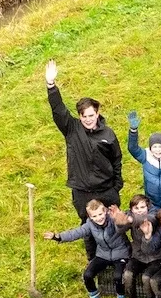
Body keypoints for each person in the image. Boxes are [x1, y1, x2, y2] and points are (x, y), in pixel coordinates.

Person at [45, 61, 122, 262]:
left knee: (112, 222)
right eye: (84, 116)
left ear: (97, 113)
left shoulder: (108, 134)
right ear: (79, 116)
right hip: (82, 191)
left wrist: (117, 185)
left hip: (106, 188)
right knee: (88, 226)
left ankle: (118, 258)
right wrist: (51, 85)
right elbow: (59, 110)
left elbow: (117, 159)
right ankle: (94, 259)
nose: (88, 119)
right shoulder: (71, 129)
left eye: (91, 115)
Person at [43, 197, 132, 298]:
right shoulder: (90, 225)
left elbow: (121, 227)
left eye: (100, 214)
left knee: (118, 276)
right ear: (90, 217)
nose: (98, 218)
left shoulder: (113, 218)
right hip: (103, 254)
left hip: (120, 253)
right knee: (87, 275)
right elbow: (76, 232)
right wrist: (57, 237)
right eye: (94, 216)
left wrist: (119, 218)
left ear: (105, 211)